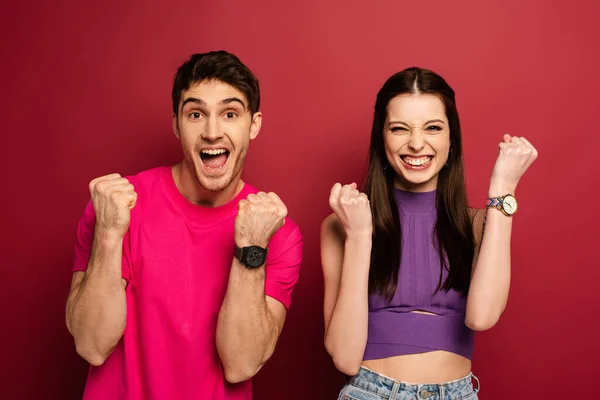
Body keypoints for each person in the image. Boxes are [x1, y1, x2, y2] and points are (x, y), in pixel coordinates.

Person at [65, 50, 303, 400]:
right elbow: (91, 345)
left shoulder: (277, 231)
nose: (211, 132)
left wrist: (251, 247)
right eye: (195, 114)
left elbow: (241, 363)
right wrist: (110, 234)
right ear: (176, 123)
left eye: (230, 114)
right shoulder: (117, 207)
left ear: (253, 124)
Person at [321, 67, 537, 399]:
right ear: (382, 137)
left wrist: (503, 188)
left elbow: (482, 317)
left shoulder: (479, 223)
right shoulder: (343, 224)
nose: (417, 143)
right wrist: (361, 236)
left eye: (433, 128)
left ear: (452, 139)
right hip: (371, 392)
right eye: (399, 128)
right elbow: (345, 357)